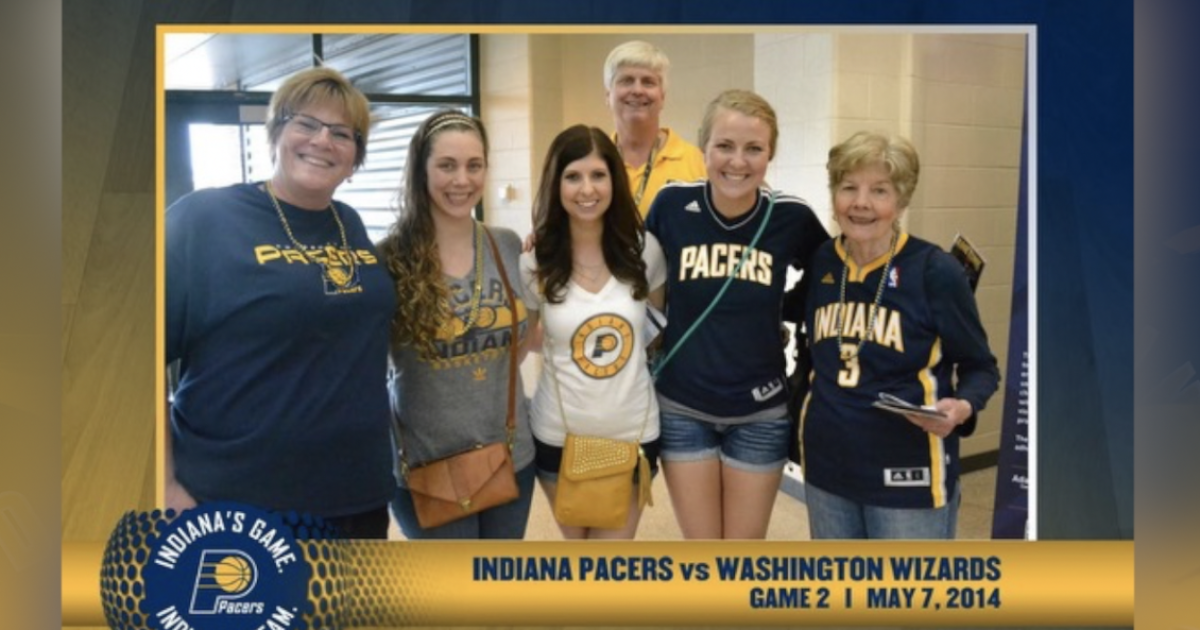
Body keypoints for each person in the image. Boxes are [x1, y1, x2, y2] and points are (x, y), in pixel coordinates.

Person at [165, 66, 395, 538]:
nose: (322, 141)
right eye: (305, 124)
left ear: (356, 157)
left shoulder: (346, 222)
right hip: (237, 497)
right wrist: (165, 484)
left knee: (348, 615)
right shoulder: (203, 218)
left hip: (356, 492)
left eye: (341, 133)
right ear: (276, 132)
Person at [645, 89, 830, 539]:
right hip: (682, 407)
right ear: (703, 148)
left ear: (771, 154)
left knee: (743, 552)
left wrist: (782, 315)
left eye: (754, 149)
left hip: (760, 411)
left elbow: (834, 278)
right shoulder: (672, 205)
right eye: (724, 146)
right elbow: (631, 270)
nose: (738, 161)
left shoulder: (792, 217)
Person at [800, 131, 1000, 539]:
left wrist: (961, 408)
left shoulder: (935, 270)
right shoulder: (822, 260)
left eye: (880, 191)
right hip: (826, 469)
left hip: (907, 474)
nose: (861, 203)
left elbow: (982, 367)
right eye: (848, 187)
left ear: (901, 201)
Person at [378, 109, 536, 539]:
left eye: (474, 165)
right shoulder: (388, 259)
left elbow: (523, 337)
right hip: (426, 465)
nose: (461, 180)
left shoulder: (505, 245)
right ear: (421, 169)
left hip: (510, 454)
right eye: (446, 165)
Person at [519, 125, 667, 539]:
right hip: (557, 435)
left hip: (633, 433)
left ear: (614, 181)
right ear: (556, 183)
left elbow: (654, 332)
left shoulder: (646, 251)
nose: (587, 189)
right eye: (573, 176)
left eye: (598, 175)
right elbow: (530, 339)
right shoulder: (535, 262)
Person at [604, 40, 705, 215]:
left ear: (662, 97)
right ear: (608, 95)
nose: (637, 90)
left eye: (648, 82)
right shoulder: (594, 159)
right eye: (626, 81)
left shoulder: (698, 163)